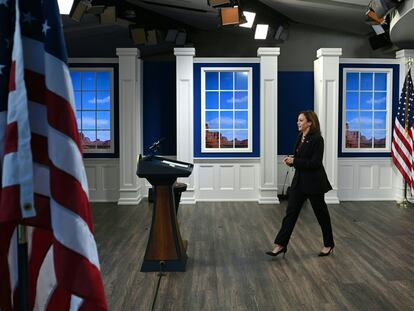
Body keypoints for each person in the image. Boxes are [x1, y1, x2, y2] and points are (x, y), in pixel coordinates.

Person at [266, 110, 335, 258]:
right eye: (298, 120)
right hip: (299, 182)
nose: (298, 122)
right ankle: (281, 245)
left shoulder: (318, 139)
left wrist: (295, 161)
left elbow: (315, 163)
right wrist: (291, 161)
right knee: (290, 214)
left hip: (314, 183)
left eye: (301, 120)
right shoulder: (300, 137)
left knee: (321, 215)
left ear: (310, 122)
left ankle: (329, 244)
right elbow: (301, 159)